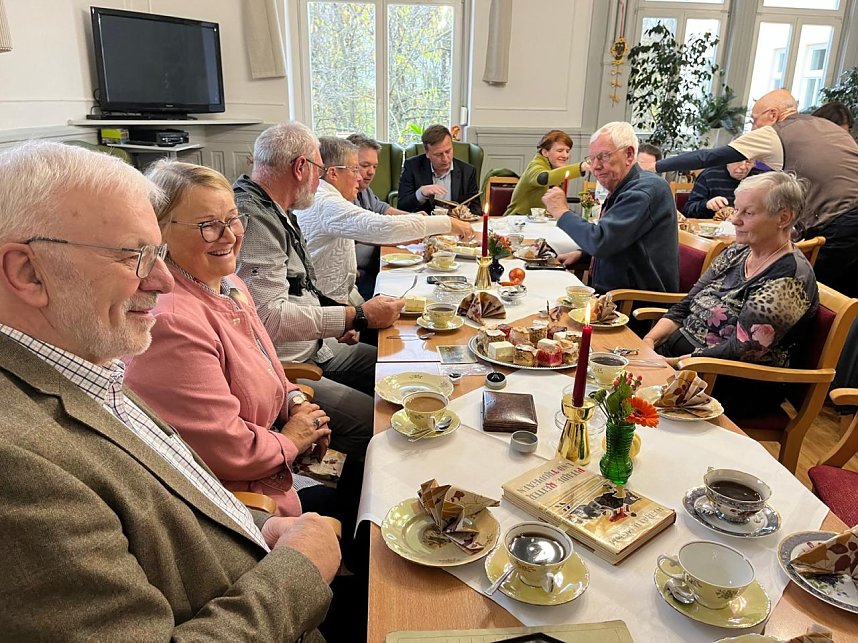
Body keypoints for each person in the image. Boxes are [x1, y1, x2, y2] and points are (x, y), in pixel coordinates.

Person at [0, 141, 338, 640]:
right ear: (28, 272)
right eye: (134, 255)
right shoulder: (17, 461)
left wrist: (258, 529)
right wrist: (300, 571)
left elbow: (177, 498)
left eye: (156, 251)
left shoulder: (88, 360)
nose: (162, 280)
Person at [124, 160, 332, 518]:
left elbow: (266, 363)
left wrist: (295, 400)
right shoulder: (171, 323)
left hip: (270, 455)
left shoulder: (230, 284)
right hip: (233, 498)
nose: (231, 235)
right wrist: (292, 440)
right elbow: (230, 451)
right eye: (208, 225)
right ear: (159, 230)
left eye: (234, 219)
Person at [234, 122, 403, 459]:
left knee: (392, 366)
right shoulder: (254, 219)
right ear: (301, 168)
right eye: (318, 170)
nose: (320, 180)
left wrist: (345, 321)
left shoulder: (275, 207)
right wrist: (353, 316)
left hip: (313, 345)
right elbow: (269, 317)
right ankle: (349, 506)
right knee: (376, 426)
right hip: (284, 365)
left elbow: (300, 287)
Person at [644, 89, 858, 298]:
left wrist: (655, 167)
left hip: (839, 223)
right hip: (849, 218)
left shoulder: (775, 133)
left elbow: (708, 157)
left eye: (755, 120)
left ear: (773, 115)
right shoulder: (829, 128)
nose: (753, 127)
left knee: (816, 298)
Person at [643, 172, 819, 417]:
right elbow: (688, 303)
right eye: (736, 209)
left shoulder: (789, 280)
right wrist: (649, 342)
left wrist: (672, 364)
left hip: (730, 381)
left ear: (784, 218)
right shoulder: (738, 251)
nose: (735, 220)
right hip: (683, 364)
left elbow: (740, 350)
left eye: (747, 213)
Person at [296, 137, 475, 303]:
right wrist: (448, 224)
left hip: (339, 297)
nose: (360, 176)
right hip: (324, 306)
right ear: (333, 173)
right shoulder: (326, 202)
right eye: (355, 169)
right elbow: (379, 226)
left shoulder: (327, 195)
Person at [542, 121, 679, 294]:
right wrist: (584, 254)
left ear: (629, 154)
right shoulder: (625, 186)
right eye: (592, 159)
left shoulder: (646, 190)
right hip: (611, 297)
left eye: (603, 156)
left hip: (633, 307)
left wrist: (561, 212)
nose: (596, 166)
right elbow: (620, 239)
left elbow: (601, 241)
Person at [346, 133, 411, 299]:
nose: (371, 172)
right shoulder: (341, 196)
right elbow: (366, 230)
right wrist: (410, 232)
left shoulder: (364, 188)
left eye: (375, 166)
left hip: (374, 263)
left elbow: (380, 208)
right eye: (365, 165)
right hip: (357, 276)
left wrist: (411, 217)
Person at [503, 130, 590, 216]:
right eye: (560, 151)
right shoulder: (535, 165)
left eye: (567, 151)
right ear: (545, 152)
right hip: (518, 222)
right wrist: (581, 167)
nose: (565, 156)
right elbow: (543, 178)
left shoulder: (556, 167)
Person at [398, 123, 480, 215]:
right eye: (438, 154)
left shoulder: (467, 171)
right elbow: (401, 207)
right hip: (426, 225)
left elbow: (476, 210)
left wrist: (460, 213)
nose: (445, 158)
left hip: (455, 225)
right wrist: (420, 194)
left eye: (448, 151)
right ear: (427, 153)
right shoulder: (412, 167)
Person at [682, 159, 758, 218]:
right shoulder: (709, 175)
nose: (743, 167)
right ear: (727, 160)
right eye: (738, 161)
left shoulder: (761, 177)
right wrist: (706, 205)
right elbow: (688, 210)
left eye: (748, 162)